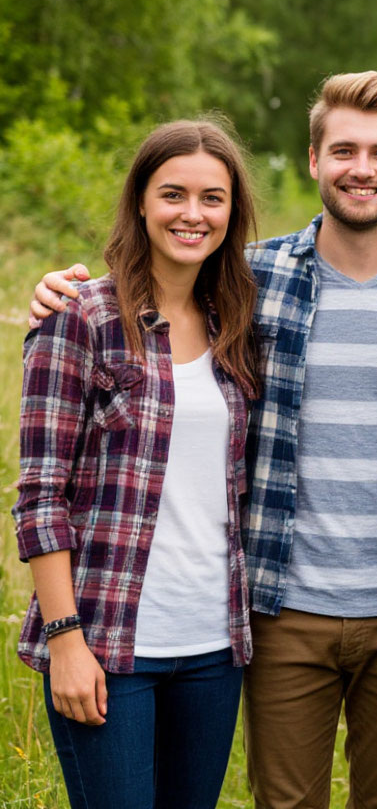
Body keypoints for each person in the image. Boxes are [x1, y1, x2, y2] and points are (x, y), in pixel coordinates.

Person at [29, 71, 377, 809]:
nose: (361, 168)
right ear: (312, 159)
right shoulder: (249, 278)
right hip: (279, 609)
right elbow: (144, 290)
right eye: (343, 149)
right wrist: (62, 291)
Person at [13, 119, 262, 809]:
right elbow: (40, 495)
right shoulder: (81, 316)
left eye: (213, 199)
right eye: (173, 194)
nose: (192, 214)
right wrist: (65, 641)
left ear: (232, 212)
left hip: (214, 648)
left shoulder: (236, 321)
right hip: (108, 644)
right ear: (142, 203)